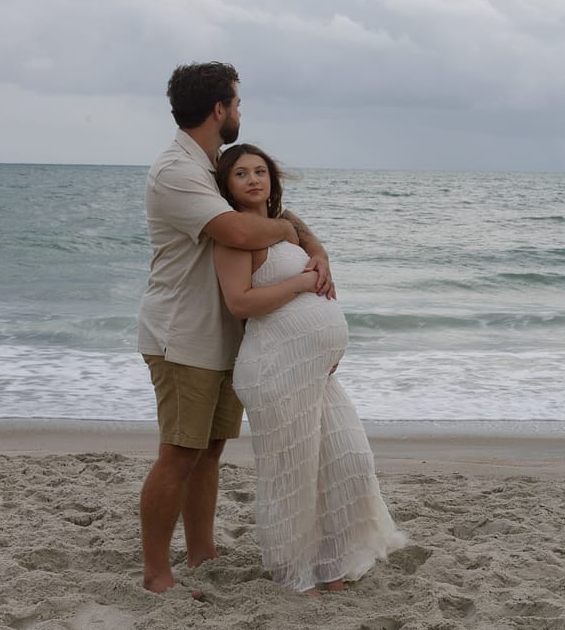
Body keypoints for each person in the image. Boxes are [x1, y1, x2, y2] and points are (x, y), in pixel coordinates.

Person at [137, 62, 334, 594]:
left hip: (225, 337)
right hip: (184, 336)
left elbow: (271, 208)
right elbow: (239, 228)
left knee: (210, 450)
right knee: (179, 453)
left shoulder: (210, 166)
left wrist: (314, 249)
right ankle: (157, 574)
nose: (241, 112)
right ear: (220, 109)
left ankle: (202, 554)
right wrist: (290, 231)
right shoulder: (176, 171)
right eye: (238, 103)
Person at [213, 143, 406, 594]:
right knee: (294, 475)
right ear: (226, 185)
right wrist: (302, 281)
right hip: (274, 369)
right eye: (241, 174)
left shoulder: (287, 224)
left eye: (260, 171)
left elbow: (310, 244)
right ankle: (296, 573)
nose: (253, 180)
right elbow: (240, 302)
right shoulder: (234, 237)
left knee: (347, 462)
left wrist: (319, 258)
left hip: (313, 369)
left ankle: (331, 564)